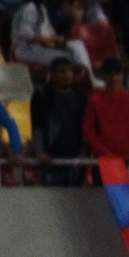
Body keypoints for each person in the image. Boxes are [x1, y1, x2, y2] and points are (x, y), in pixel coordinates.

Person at [12, 0, 96, 78]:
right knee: (67, 59)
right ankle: (86, 79)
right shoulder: (29, 8)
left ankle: (89, 78)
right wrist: (49, 40)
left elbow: (49, 30)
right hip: (25, 50)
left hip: (40, 47)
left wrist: (58, 40)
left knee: (77, 45)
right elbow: (26, 34)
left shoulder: (41, 8)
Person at [30, 58, 89, 187]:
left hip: (75, 162)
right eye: (61, 72)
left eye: (69, 71)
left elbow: (85, 129)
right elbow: (37, 127)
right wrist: (41, 153)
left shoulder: (80, 97)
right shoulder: (42, 96)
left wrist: (84, 152)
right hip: (51, 161)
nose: (66, 75)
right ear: (52, 74)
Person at [84, 58, 129, 161]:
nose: (114, 78)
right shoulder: (94, 101)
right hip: (103, 159)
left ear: (122, 75)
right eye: (110, 74)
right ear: (104, 75)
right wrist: (105, 153)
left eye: (117, 73)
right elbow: (88, 133)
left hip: (126, 158)